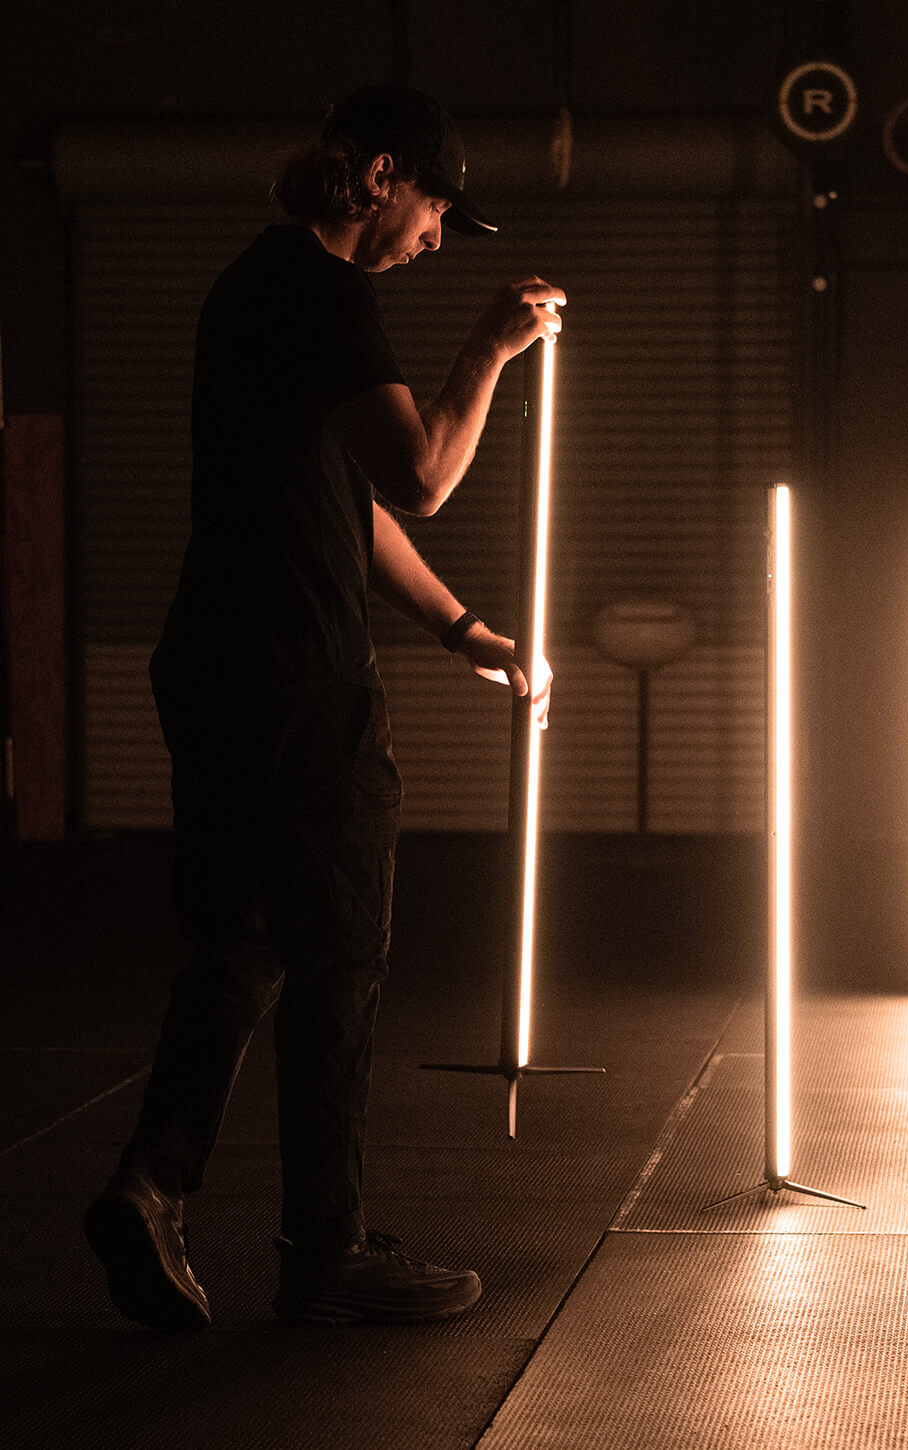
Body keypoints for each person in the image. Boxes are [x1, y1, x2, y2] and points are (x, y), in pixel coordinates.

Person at [84, 84, 564, 1331]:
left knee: (245, 936)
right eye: (440, 211)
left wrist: (462, 628)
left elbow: (341, 504)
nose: (438, 240)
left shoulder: (251, 288)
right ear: (387, 177)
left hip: (217, 662)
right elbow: (417, 478)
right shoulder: (323, 292)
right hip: (300, 675)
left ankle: (148, 1185)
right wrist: (487, 353)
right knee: (343, 951)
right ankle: (326, 1249)